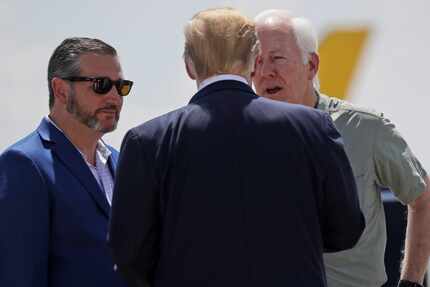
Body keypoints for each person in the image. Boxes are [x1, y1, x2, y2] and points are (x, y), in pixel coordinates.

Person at [108, 7, 364, 287]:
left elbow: (129, 255)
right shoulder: (313, 126)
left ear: (189, 65)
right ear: (254, 61)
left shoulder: (146, 141)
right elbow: (345, 230)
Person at [252, 9, 430, 287]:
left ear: (311, 65)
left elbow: (423, 196)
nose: (265, 72)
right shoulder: (243, 138)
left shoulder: (365, 128)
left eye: (276, 58)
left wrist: (412, 282)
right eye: (256, 61)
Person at [0, 37, 133, 287]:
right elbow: (19, 275)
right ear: (61, 90)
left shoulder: (123, 161)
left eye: (121, 86)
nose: (115, 97)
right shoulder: (24, 164)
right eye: (101, 85)